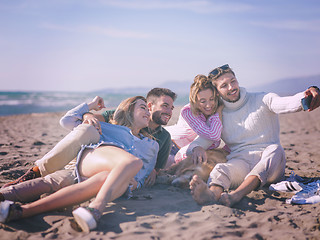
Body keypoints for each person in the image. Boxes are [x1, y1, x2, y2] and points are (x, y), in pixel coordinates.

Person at [0, 96, 159, 232]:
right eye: (143, 107)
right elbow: (68, 121)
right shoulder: (109, 127)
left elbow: (144, 174)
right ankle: (95, 209)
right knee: (131, 161)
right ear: (129, 110)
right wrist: (89, 108)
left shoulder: (152, 145)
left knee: (51, 183)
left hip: (108, 178)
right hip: (90, 162)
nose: (148, 112)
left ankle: (22, 211)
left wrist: (136, 184)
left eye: (148, 109)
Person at [188, 64, 320, 207]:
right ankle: (211, 195)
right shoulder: (219, 114)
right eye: (224, 85)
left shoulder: (262, 99)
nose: (231, 87)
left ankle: (236, 195)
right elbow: (202, 139)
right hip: (241, 163)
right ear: (217, 92)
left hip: (272, 165)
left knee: (275, 150)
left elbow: (287, 103)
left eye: (233, 81)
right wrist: (196, 148)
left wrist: (307, 95)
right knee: (221, 169)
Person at [2, 88, 176, 192]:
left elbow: (153, 169)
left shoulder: (160, 139)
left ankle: (13, 194)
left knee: (58, 181)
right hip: (86, 158)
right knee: (86, 131)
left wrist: (153, 171)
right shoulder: (115, 119)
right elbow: (72, 122)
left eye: (172, 107)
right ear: (149, 106)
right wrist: (88, 111)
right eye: (165, 106)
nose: (169, 112)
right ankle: (36, 171)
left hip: (103, 173)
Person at [164, 74, 225, 166]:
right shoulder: (187, 111)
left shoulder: (213, 110)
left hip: (191, 148)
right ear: (195, 100)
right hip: (170, 145)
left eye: (211, 99)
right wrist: (218, 112)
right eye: (203, 101)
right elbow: (214, 135)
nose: (208, 105)